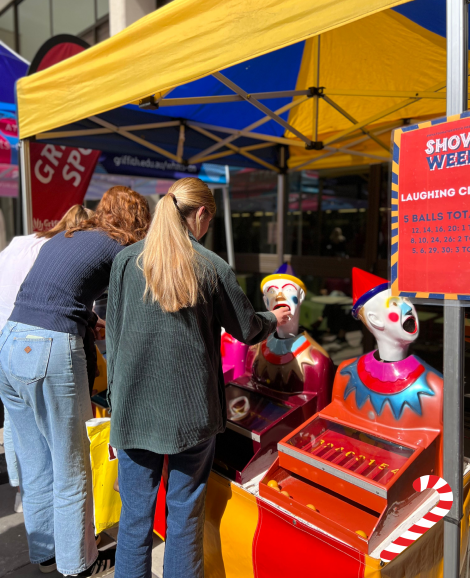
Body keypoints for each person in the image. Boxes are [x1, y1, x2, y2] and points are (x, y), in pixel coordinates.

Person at [107, 177, 290, 578]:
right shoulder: (211, 265)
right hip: (193, 413)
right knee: (185, 521)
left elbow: (114, 340)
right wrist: (273, 319)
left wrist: (114, 414)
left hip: (133, 413)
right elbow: (246, 328)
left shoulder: (126, 262)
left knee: (134, 523)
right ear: (203, 214)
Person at [0, 186, 150, 577]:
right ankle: (78, 564)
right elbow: (131, 310)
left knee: (35, 459)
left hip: (9, 341)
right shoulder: (119, 247)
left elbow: (49, 295)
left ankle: (46, 553)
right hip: (48, 347)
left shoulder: (70, 235)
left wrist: (84, 319)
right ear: (137, 220)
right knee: (72, 464)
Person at [0, 204, 93, 513]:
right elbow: (53, 299)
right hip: (36, 341)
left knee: (18, 424)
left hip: (6, 337)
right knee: (64, 450)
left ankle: (23, 494)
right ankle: (72, 553)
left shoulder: (21, 242)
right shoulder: (55, 248)